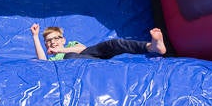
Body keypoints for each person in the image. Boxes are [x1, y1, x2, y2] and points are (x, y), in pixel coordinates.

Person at [31, 23, 166, 61]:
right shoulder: (53, 61)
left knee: (113, 44)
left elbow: (81, 49)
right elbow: (42, 63)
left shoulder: (71, 45)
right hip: (88, 63)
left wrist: (61, 50)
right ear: (46, 44)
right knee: (70, 57)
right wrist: (35, 36)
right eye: (49, 41)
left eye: (56, 38)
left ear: (63, 40)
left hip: (95, 54)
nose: (53, 42)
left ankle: (152, 47)